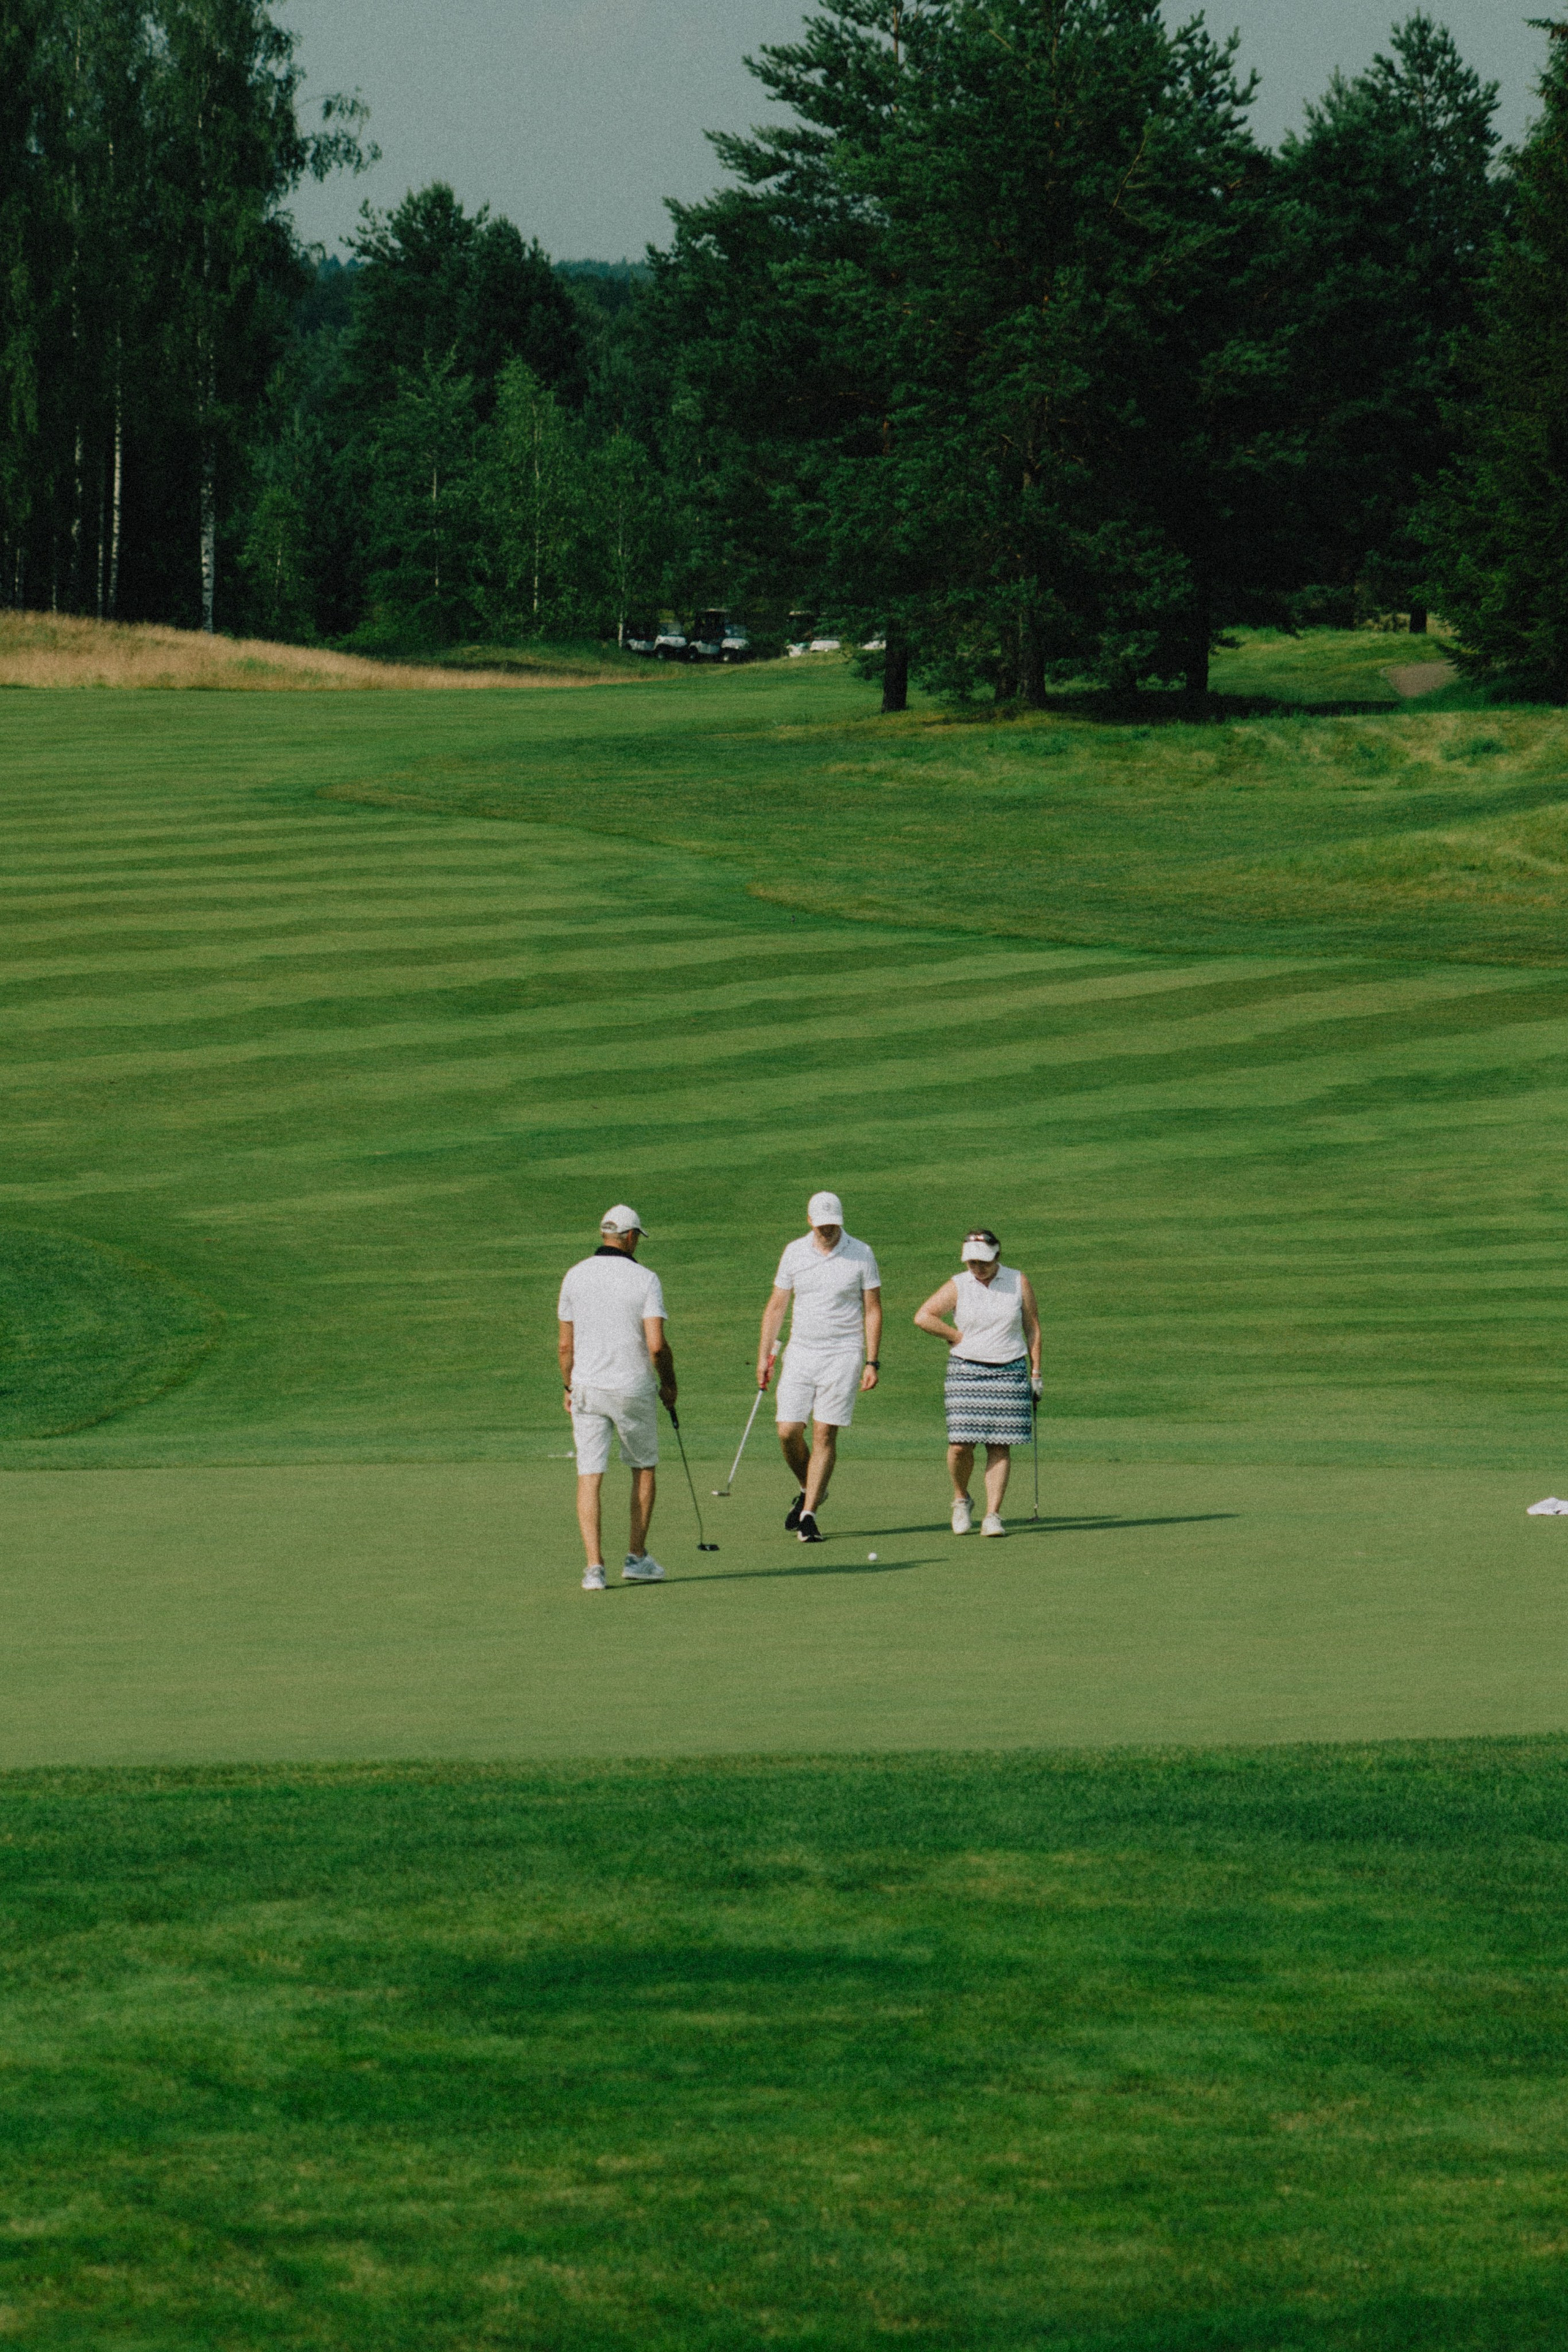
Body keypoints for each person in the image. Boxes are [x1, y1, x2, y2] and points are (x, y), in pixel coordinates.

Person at [557, 1205, 677, 1590]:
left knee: (589, 1475)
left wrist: (568, 1387)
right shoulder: (645, 1279)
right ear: (629, 1237)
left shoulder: (574, 1276)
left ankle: (594, 1568)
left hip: (587, 1389)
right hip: (632, 1390)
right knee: (642, 1468)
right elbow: (656, 1346)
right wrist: (670, 1384)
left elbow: (565, 1346)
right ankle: (636, 1558)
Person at [756, 1189, 881, 1544]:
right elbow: (777, 1306)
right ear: (810, 1221)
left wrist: (872, 1360)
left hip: (844, 1352)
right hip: (801, 1351)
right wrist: (764, 1354)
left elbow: (872, 1308)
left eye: (834, 1225)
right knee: (788, 1431)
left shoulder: (861, 1253)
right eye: (822, 1225)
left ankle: (809, 1513)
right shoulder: (794, 1252)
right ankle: (809, 1487)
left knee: (825, 1433)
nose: (829, 1231)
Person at [913, 1230, 1041, 1537]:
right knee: (960, 1445)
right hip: (966, 1369)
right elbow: (924, 1316)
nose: (977, 1268)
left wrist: (1036, 1373)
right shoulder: (959, 1284)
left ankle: (993, 1515)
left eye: (983, 1261)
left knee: (999, 1445)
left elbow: (1032, 1327)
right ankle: (961, 1499)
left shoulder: (1017, 1281)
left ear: (997, 1256)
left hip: (1009, 1369)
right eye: (971, 1262)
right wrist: (955, 1336)